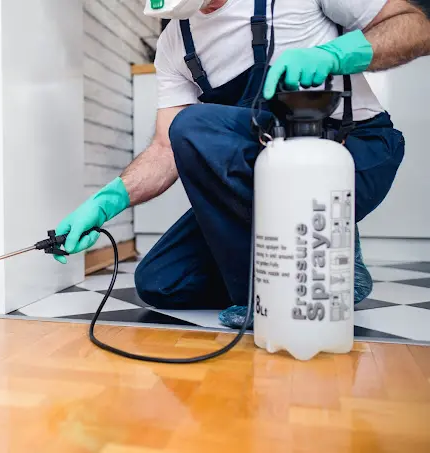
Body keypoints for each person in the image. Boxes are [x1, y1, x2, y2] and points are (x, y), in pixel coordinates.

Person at [54, 0, 430, 326]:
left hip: (352, 155)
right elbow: (165, 150)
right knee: (160, 280)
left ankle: (266, 297)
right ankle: (321, 267)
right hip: (268, 170)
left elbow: (416, 26)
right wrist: (105, 204)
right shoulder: (175, 43)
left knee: (194, 124)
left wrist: (335, 54)